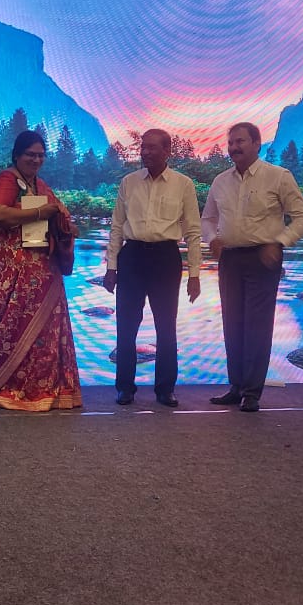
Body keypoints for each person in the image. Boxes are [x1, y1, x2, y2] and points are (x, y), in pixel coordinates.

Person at [202, 121, 303, 412]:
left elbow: (302, 217)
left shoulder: (278, 176)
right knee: (232, 324)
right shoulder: (220, 181)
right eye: (230, 143)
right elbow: (208, 219)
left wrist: (279, 242)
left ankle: (252, 392)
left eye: (240, 141)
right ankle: (236, 387)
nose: (233, 147)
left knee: (258, 326)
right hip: (230, 259)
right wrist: (212, 239)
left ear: (256, 144)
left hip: (264, 258)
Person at [0, 130, 82, 411]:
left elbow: (60, 214)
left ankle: (45, 390)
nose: (36, 160)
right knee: (11, 323)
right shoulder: (7, 179)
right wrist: (38, 213)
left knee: (47, 329)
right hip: (13, 267)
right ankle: (13, 390)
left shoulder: (40, 185)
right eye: (30, 154)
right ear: (17, 155)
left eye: (41, 155)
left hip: (42, 269)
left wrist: (66, 228)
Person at [103, 128, 201, 407]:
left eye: (151, 147)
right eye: (143, 147)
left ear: (167, 151)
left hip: (165, 258)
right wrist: (111, 267)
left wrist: (194, 274)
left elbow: (193, 231)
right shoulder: (129, 182)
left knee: (166, 326)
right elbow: (117, 227)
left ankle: (165, 389)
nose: (144, 152)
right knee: (126, 325)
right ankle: (125, 388)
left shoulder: (183, 184)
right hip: (132, 256)